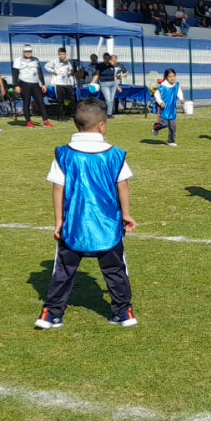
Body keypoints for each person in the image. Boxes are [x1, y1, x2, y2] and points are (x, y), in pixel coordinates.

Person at [34, 98, 138, 330]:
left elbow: (58, 188)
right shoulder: (114, 155)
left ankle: (51, 314)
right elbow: (123, 185)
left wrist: (59, 221)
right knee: (115, 269)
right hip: (108, 224)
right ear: (102, 125)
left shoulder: (64, 154)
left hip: (74, 224)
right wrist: (127, 214)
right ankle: (124, 311)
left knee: (63, 270)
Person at [13, 45, 53, 128]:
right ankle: (28, 121)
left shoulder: (36, 60)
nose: (28, 53)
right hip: (24, 83)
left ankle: (45, 120)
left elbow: (40, 73)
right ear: (23, 52)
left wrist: (43, 84)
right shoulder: (18, 60)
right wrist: (16, 85)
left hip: (35, 83)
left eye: (30, 52)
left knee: (40, 102)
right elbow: (15, 74)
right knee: (26, 102)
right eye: (26, 52)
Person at [151, 68, 184, 147]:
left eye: (173, 76)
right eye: (170, 76)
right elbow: (156, 95)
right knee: (164, 124)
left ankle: (171, 141)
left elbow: (179, 92)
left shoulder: (176, 85)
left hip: (172, 109)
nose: (172, 78)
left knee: (173, 126)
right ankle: (155, 127)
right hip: (164, 109)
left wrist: (182, 99)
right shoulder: (162, 87)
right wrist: (161, 102)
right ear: (166, 77)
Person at [46, 47, 78, 121]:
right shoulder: (54, 61)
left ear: (65, 54)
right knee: (60, 101)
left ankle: (74, 115)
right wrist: (53, 71)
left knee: (73, 99)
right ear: (58, 54)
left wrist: (70, 72)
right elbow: (46, 66)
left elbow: (72, 70)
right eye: (60, 54)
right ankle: (62, 117)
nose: (62, 55)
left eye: (63, 54)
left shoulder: (69, 61)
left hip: (68, 83)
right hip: (59, 83)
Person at [91, 54, 121, 119]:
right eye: (105, 58)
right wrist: (92, 83)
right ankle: (106, 113)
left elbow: (114, 76)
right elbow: (97, 75)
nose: (107, 59)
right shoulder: (100, 65)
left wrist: (117, 86)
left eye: (108, 58)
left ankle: (109, 113)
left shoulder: (112, 66)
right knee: (108, 99)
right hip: (104, 84)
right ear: (103, 58)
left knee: (112, 100)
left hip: (113, 84)